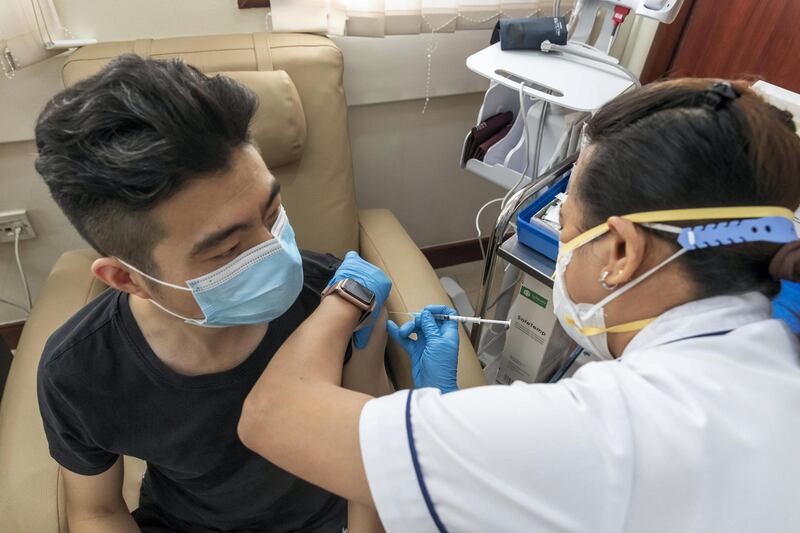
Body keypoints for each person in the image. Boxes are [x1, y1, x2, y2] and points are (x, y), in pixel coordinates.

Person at [237, 79, 800, 532]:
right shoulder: (775, 353)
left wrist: (346, 294)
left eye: (567, 227)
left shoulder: (598, 435)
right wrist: (434, 407)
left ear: (622, 251)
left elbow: (269, 416)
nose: (561, 250)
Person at [34, 55, 391, 533]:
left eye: (272, 212)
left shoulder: (341, 299)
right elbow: (97, 509)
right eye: (227, 249)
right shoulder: (80, 372)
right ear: (128, 278)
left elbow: (369, 458)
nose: (276, 255)